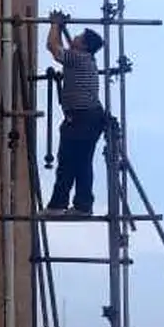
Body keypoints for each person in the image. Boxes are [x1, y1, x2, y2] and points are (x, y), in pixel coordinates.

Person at [45, 13, 105, 216]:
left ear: (85, 46)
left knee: (77, 161)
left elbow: (53, 48)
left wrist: (55, 25)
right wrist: (60, 28)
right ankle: (61, 205)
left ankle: (80, 206)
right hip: (82, 118)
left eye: (79, 37)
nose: (76, 38)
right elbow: (62, 49)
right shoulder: (81, 58)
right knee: (70, 161)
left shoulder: (79, 58)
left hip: (84, 118)